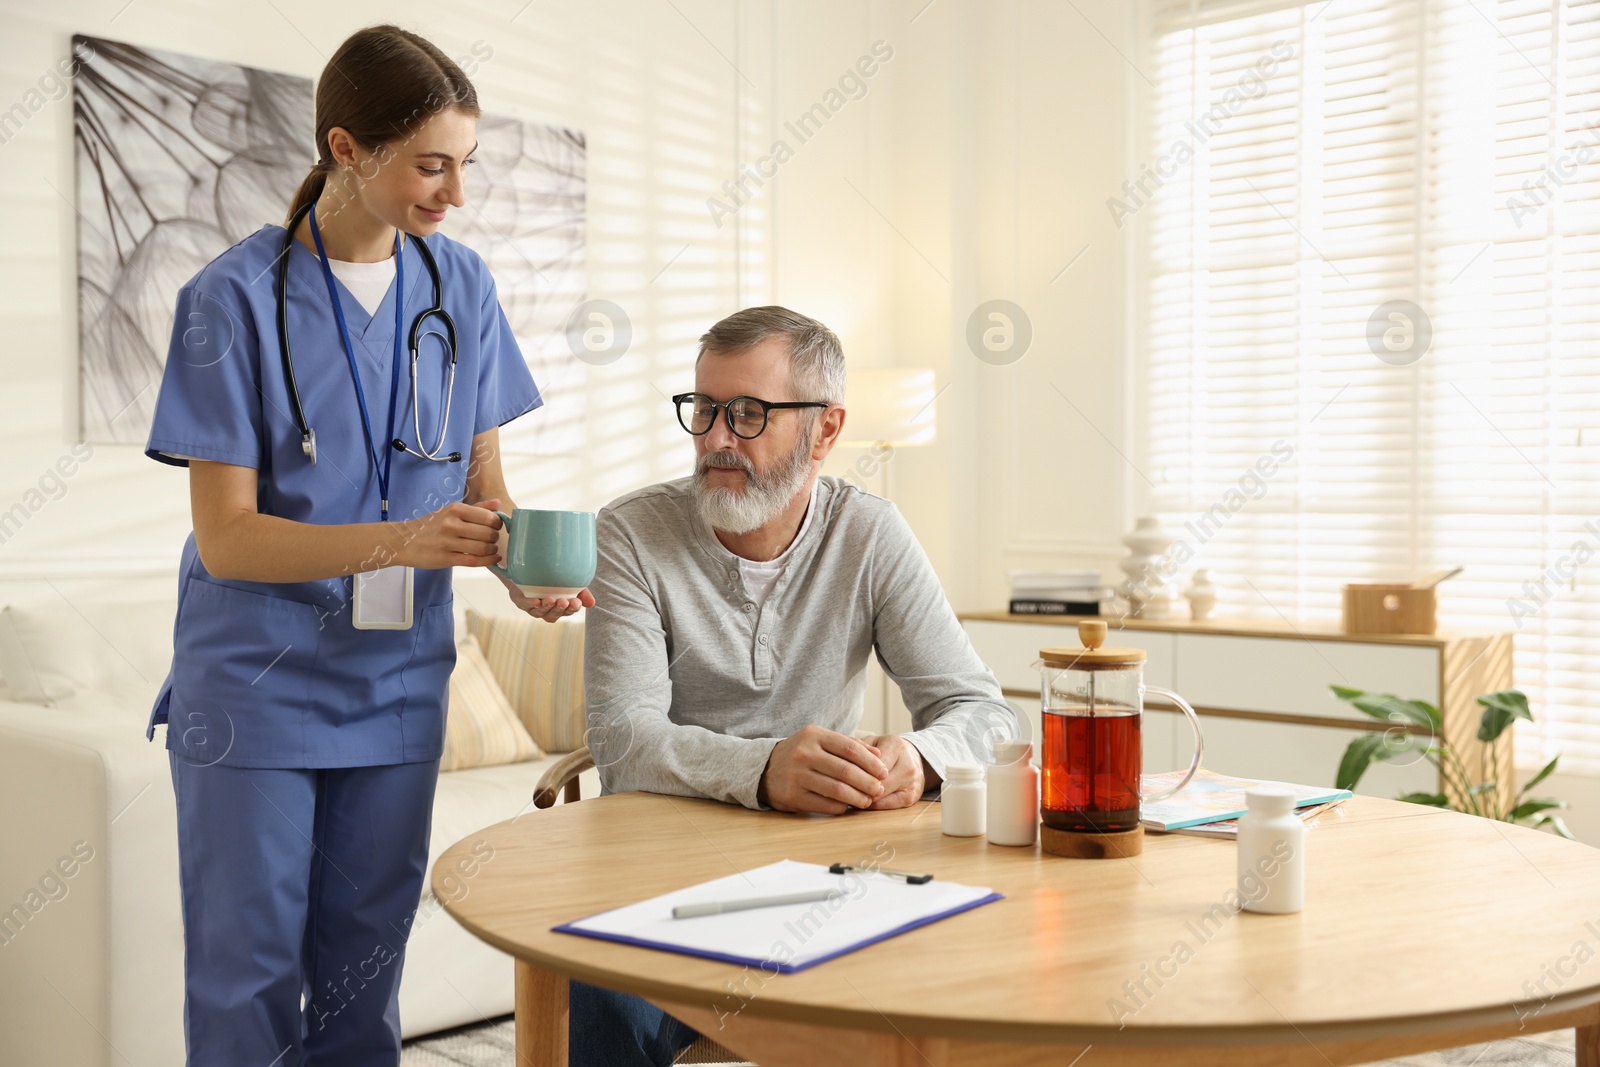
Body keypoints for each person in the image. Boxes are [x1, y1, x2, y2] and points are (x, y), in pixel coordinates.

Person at [141, 25, 590, 1066]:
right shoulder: (231, 299)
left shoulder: (460, 287)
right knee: (246, 971)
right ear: (346, 147)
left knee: (363, 968)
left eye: (465, 163)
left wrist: (522, 568)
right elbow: (229, 537)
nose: (455, 192)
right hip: (253, 687)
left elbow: (485, 487)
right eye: (432, 164)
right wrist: (402, 541)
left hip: (395, 679)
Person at [572, 305, 1016, 1066]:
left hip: (824, 871)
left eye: (747, 414)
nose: (714, 438)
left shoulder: (870, 534)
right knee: (603, 986)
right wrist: (764, 769)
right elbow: (622, 740)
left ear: (827, 430)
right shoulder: (630, 533)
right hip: (662, 870)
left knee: (968, 974)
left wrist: (917, 756)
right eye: (705, 409)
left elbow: (986, 714)